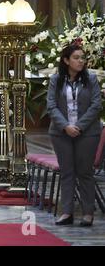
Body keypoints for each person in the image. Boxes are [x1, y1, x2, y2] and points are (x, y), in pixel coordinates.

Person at [47, 44, 102, 227]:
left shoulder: (91, 79)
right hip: (60, 133)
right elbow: (51, 105)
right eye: (76, 57)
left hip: (87, 133)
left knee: (84, 172)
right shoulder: (56, 80)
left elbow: (96, 105)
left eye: (82, 57)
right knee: (67, 172)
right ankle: (67, 212)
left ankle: (87, 213)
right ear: (66, 60)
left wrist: (78, 126)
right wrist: (65, 126)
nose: (81, 61)